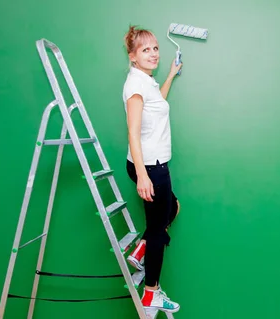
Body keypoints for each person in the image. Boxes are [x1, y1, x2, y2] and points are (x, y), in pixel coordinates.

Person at [122, 25, 182, 313]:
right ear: (133, 56)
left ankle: (141, 248)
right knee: (158, 230)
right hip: (151, 167)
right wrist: (143, 176)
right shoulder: (135, 85)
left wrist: (170, 75)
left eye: (155, 48)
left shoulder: (148, 82)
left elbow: (158, 104)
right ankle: (150, 294)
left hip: (155, 165)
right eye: (146, 50)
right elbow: (133, 133)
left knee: (172, 208)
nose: (153, 54)